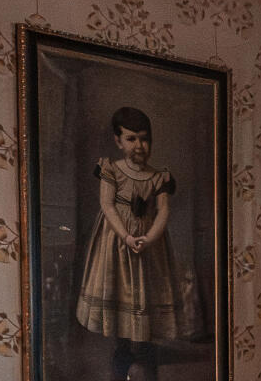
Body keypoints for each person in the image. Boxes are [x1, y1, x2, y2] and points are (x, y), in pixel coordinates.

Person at [73, 107, 190, 367]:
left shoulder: (159, 177)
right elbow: (107, 205)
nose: (139, 145)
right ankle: (122, 347)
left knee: (146, 289)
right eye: (131, 139)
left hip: (149, 243)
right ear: (118, 141)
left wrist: (149, 238)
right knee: (119, 288)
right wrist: (126, 236)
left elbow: (163, 211)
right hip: (116, 240)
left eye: (144, 139)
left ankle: (145, 345)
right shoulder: (111, 170)